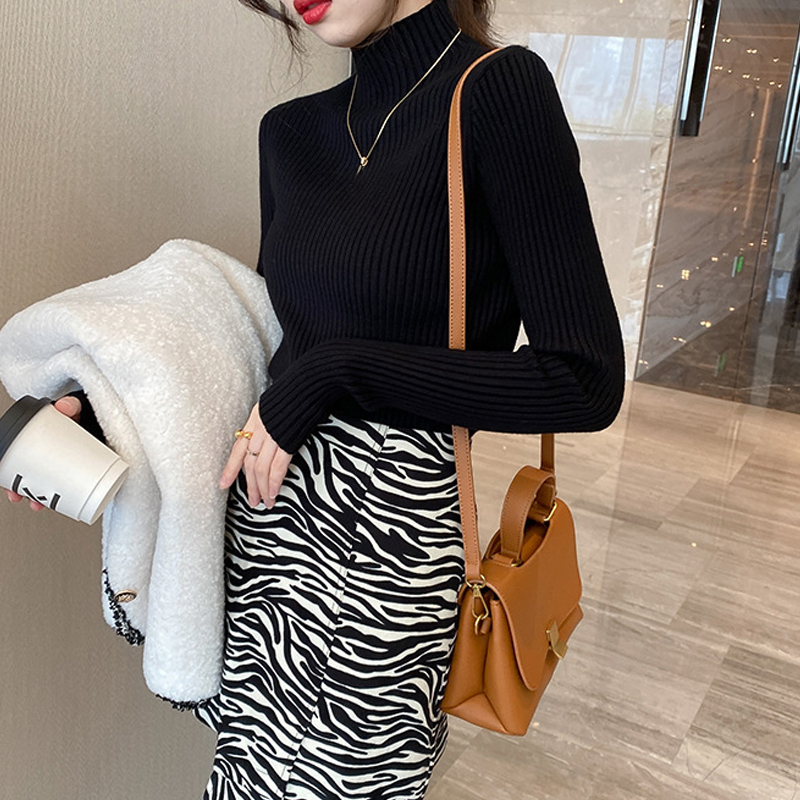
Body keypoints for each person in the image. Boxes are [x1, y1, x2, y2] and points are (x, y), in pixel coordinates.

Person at [6, 0, 625, 797]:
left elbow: (583, 379)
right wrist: (111, 414)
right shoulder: (291, 132)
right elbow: (276, 349)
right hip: (265, 524)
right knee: (249, 772)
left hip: (388, 544)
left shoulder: (498, 90)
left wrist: (341, 371)